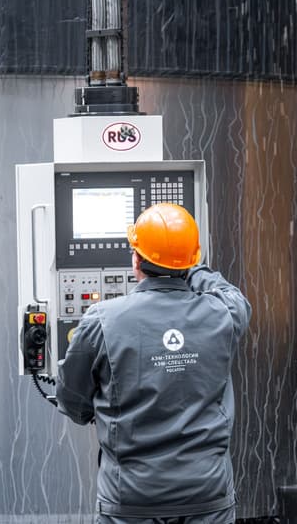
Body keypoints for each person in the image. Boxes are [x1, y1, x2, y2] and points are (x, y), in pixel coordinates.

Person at [56, 203, 251, 524]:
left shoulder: (102, 320)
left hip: (132, 501)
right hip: (206, 497)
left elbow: (72, 401)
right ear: (191, 261)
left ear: (136, 259)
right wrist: (191, 265)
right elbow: (229, 293)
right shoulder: (224, 314)